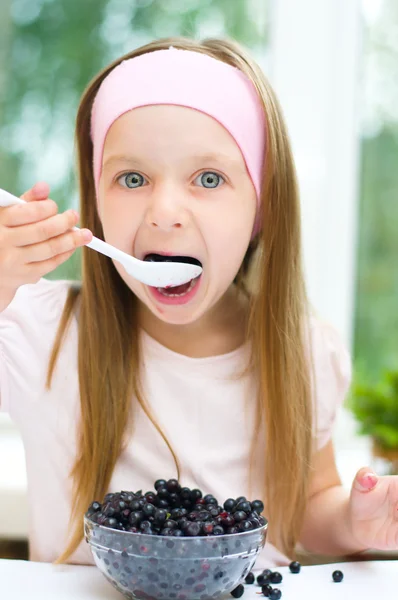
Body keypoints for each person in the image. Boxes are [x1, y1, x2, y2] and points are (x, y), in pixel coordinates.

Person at [0, 36, 397, 569]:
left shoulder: (303, 350)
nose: (165, 212)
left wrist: (355, 520)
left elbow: (307, 507)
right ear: (96, 201)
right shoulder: (38, 330)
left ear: (263, 207)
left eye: (209, 179)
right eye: (132, 178)